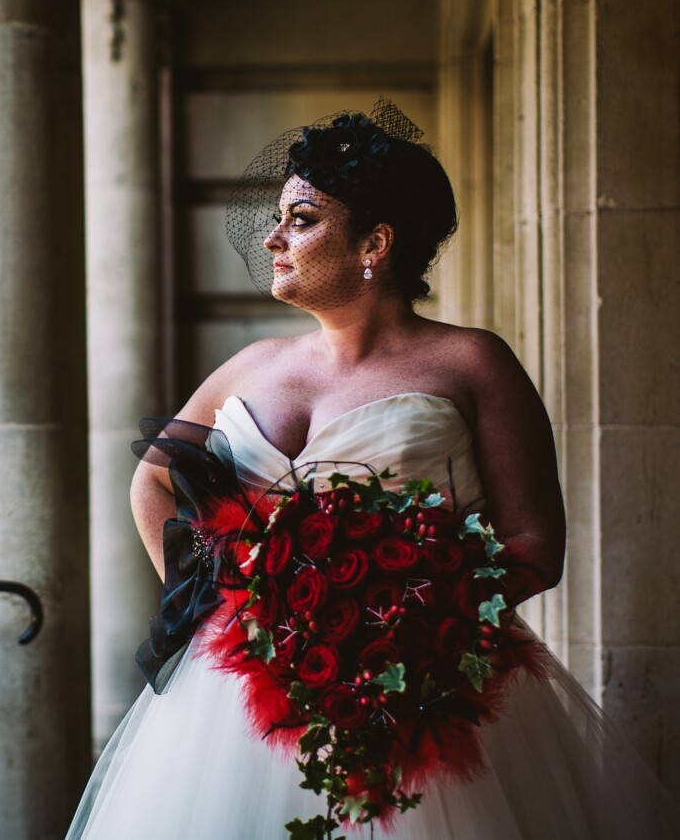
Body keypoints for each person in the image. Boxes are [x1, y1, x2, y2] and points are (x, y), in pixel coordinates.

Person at [66, 102, 680, 839]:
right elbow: (155, 479)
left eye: (301, 219)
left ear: (375, 242)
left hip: (419, 693)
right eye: (279, 218)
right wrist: (223, 599)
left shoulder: (472, 362)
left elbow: (535, 545)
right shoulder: (250, 365)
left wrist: (392, 625)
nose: (273, 239)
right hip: (235, 696)